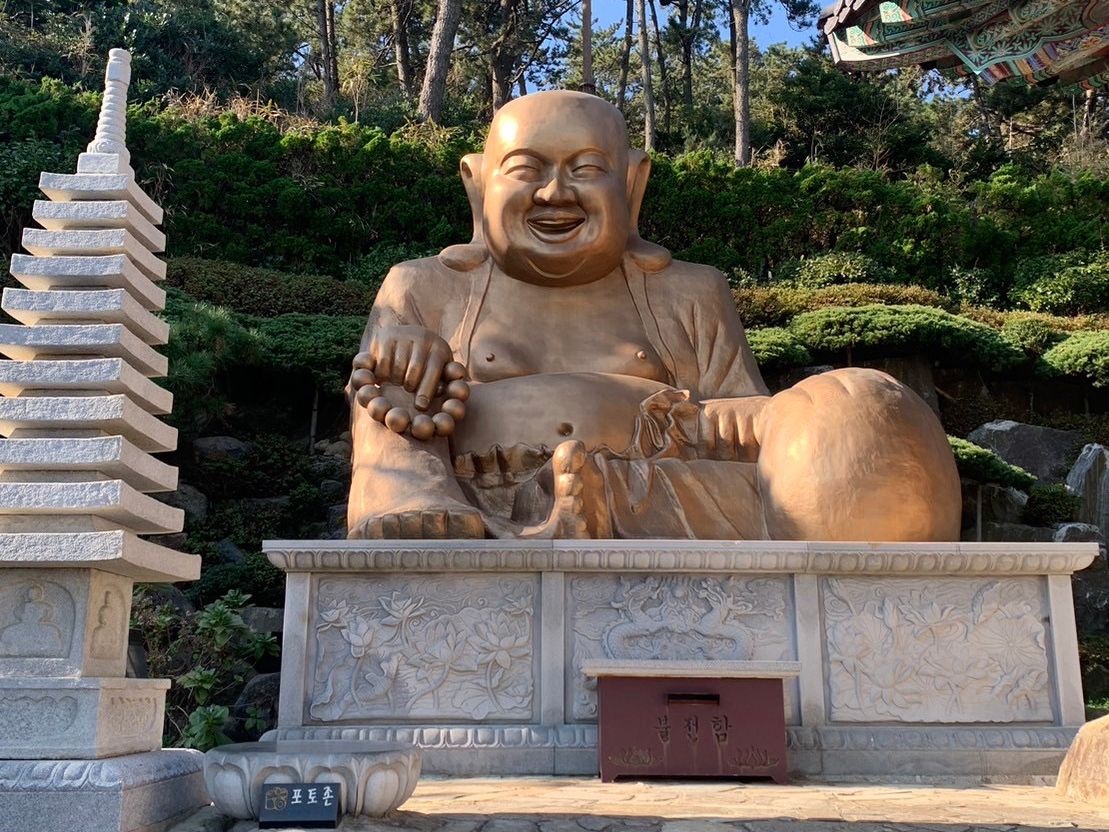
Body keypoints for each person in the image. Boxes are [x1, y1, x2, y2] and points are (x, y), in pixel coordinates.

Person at [347, 91, 960, 541]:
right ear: (479, 185)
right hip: (476, 492)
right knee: (384, 376)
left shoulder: (690, 291)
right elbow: (379, 399)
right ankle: (413, 497)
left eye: (586, 170)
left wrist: (813, 415)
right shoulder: (424, 286)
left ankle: (604, 498)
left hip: (663, 487)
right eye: (526, 169)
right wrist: (412, 361)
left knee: (840, 416)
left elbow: (751, 429)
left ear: (633, 185)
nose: (555, 193)